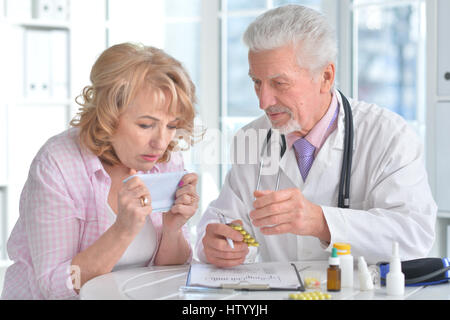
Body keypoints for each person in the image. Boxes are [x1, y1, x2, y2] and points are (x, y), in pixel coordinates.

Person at [195, 5, 437, 267]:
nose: (263, 102)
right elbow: (222, 219)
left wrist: (321, 222)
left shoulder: (388, 136)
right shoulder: (250, 138)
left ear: (325, 77)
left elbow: (414, 236)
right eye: (257, 82)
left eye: (279, 83)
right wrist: (216, 244)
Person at [1, 42, 200, 299]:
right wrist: (123, 230)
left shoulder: (166, 160)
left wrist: (173, 228)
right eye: (145, 125)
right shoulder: (58, 164)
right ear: (108, 114)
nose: (160, 142)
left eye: (171, 126)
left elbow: (166, 276)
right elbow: (53, 285)